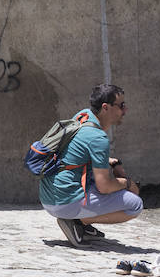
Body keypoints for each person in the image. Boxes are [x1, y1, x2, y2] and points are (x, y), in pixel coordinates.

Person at [39, 84, 143, 247]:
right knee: (135, 204)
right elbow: (105, 187)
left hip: (48, 196)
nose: (125, 110)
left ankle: (79, 222)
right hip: (63, 203)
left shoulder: (83, 116)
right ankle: (78, 221)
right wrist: (128, 183)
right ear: (105, 107)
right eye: (121, 105)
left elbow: (78, 152)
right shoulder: (98, 138)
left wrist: (110, 162)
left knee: (97, 177)